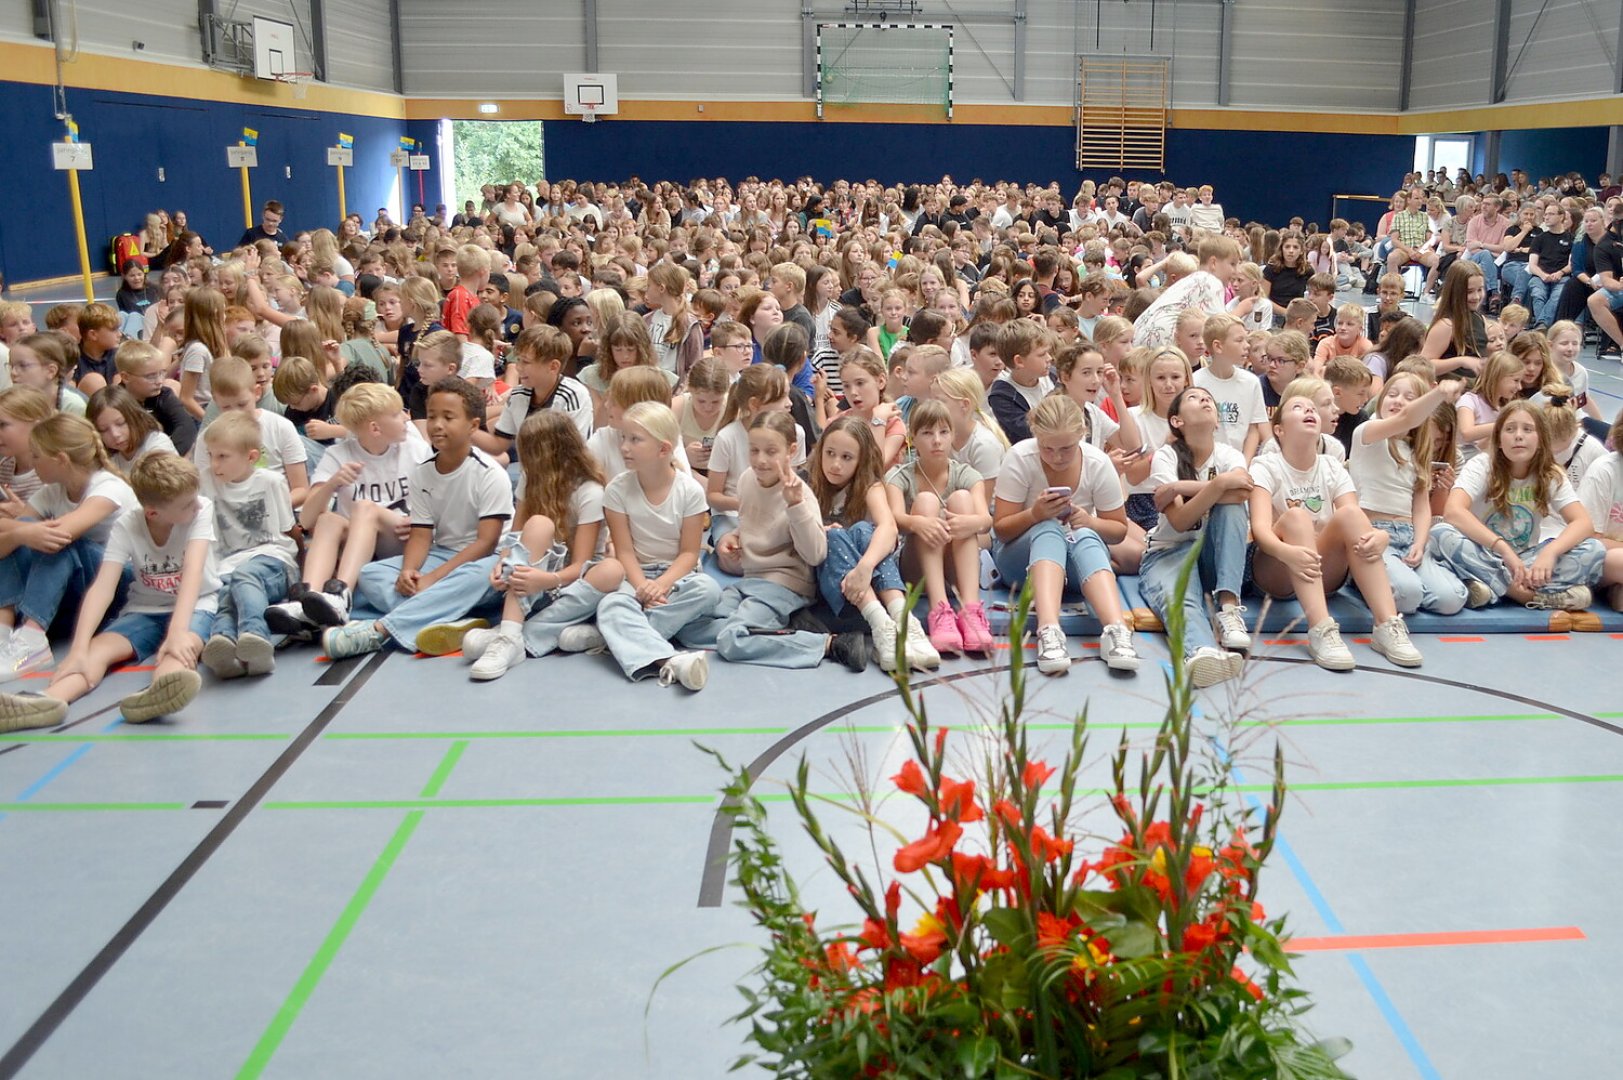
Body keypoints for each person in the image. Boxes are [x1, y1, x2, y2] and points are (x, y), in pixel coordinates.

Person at [0, 452, 218, 730]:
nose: (196, 506)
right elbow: (102, 588)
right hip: (145, 609)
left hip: (197, 603)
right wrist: (78, 648)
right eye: (187, 504)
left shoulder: (201, 508)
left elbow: (193, 571)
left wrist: (177, 632)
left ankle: (161, 690)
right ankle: (48, 700)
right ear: (153, 512)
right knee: (96, 651)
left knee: (179, 650)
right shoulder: (128, 525)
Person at [321, 377, 514, 658]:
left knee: (480, 577)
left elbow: (485, 543)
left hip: (485, 560)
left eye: (448, 418)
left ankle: (378, 630)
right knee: (371, 574)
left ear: (473, 425)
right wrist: (408, 571)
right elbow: (422, 534)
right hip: (444, 553)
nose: (437, 425)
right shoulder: (423, 472)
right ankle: (450, 617)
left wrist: (433, 578)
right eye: (432, 416)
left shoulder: (488, 473)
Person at [1247, 382, 1424, 671]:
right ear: (1279, 430)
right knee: (1296, 517)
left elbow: (1355, 519)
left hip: (1322, 569)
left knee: (1351, 515)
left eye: (1312, 408)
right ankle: (1321, 630)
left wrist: (1379, 536)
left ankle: (1387, 625)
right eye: (1297, 407)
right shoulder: (1265, 465)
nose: (1308, 411)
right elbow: (1261, 531)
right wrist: (1287, 552)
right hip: (1276, 570)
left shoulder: (1331, 465)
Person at [458, 411, 634, 682]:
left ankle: (510, 635)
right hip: (532, 581)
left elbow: (580, 565)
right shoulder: (531, 480)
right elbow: (515, 537)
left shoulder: (589, 491)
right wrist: (503, 563)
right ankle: (513, 634)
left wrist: (546, 580)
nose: (524, 461)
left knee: (611, 570)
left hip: (569, 582)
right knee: (539, 524)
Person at [691, 411, 874, 672]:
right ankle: (779, 631)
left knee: (731, 640)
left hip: (783, 586)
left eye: (771, 451)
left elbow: (815, 555)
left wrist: (796, 505)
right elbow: (756, 523)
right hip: (749, 580)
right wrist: (735, 537)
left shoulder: (800, 494)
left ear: (791, 451)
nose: (761, 460)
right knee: (691, 630)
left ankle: (829, 644)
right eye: (754, 450)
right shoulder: (746, 481)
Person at [991, 395, 1141, 676]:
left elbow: (1118, 530)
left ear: (1081, 435)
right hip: (1019, 561)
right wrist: (1035, 514)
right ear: (1035, 436)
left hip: (1073, 564)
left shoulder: (1097, 462)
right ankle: (1048, 630)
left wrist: (1090, 522)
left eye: (1066, 449)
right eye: (1047, 449)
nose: (1057, 457)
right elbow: (1001, 529)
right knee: (1048, 529)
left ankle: (1116, 630)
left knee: (1085, 534)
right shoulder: (1021, 457)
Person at [267, 383, 432, 634]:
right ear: (375, 428)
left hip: (400, 535)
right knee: (328, 521)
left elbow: (438, 497)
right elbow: (308, 520)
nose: (406, 417)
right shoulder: (339, 454)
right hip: (359, 540)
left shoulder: (414, 448)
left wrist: (422, 522)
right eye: (398, 414)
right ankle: (306, 598)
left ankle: (341, 594)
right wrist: (332, 484)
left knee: (366, 508)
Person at [0, 414, 140, 678]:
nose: (32, 462)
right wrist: (22, 533)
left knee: (60, 542)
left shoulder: (108, 488)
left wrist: (23, 531)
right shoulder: (52, 492)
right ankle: (3, 633)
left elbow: (62, 534)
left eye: (37, 456)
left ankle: (32, 639)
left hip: (118, 589)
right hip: (79, 592)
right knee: (21, 535)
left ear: (61, 460)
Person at [1430, 401, 1604, 611]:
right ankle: (1524, 594)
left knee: (1594, 549)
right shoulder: (1482, 465)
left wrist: (1550, 553)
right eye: (1510, 429)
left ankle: (1487, 586)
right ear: (1499, 441)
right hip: (1484, 552)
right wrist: (1502, 548)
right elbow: (1453, 512)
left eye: (1528, 429)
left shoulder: (1551, 474)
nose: (1518, 435)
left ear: (1541, 439)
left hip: (1526, 560)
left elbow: (1583, 523)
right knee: (1441, 533)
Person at [1135, 386, 1253, 688]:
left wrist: (1179, 489)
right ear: (1177, 421)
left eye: (1208, 399)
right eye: (1194, 398)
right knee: (1181, 596)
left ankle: (1228, 607)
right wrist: (1219, 485)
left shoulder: (1228, 454)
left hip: (1211, 556)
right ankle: (1201, 653)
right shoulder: (1165, 456)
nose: (1204, 401)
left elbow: (1242, 491)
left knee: (1232, 511)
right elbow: (1179, 521)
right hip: (1168, 551)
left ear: (1216, 422)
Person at [1347, 373, 1469, 615]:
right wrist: (1438, 393)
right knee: (1408, 595)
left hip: (1408, 534)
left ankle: (1408, 581)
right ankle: (1363, 578)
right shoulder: (1367, 433)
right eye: (1392, 394)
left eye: (1409, 397)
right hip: (1374, 532)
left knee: (1451, 600)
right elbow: (1406, 418)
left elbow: (1421, 506)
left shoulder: (1416, 451)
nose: (1399, 400)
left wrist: (1419, 544)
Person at [886, 402, 994, 657]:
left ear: (952, 436)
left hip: (956, 566)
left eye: (943, 432)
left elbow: (986, 519)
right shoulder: (899, 475)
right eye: (927, 433)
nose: (936, 441)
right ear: (913, 438)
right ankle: (939, 610)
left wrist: (972, 523)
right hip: (917, 568)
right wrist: (918, 522)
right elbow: (893, 518)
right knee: (926, 501)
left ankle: (970, 610)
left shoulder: (968, 474)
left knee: (962, 500)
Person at [195, 411, 298, 679]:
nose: (214, 463)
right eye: (210, 455)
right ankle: (224, 643)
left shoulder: (271, 482)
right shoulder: (206, 482)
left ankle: (255, 635)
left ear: (251, 457)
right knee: (227, 589)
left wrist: (302, 574)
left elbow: (289, 532)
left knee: (244, 575)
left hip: (271, 561)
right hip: (227, 564)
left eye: (222, 456)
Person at [87, 384, 177, 472]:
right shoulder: (106, 458)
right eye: (104, 430)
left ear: (135, 416)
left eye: (120, 423)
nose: (115, 434)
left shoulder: (157, 445)